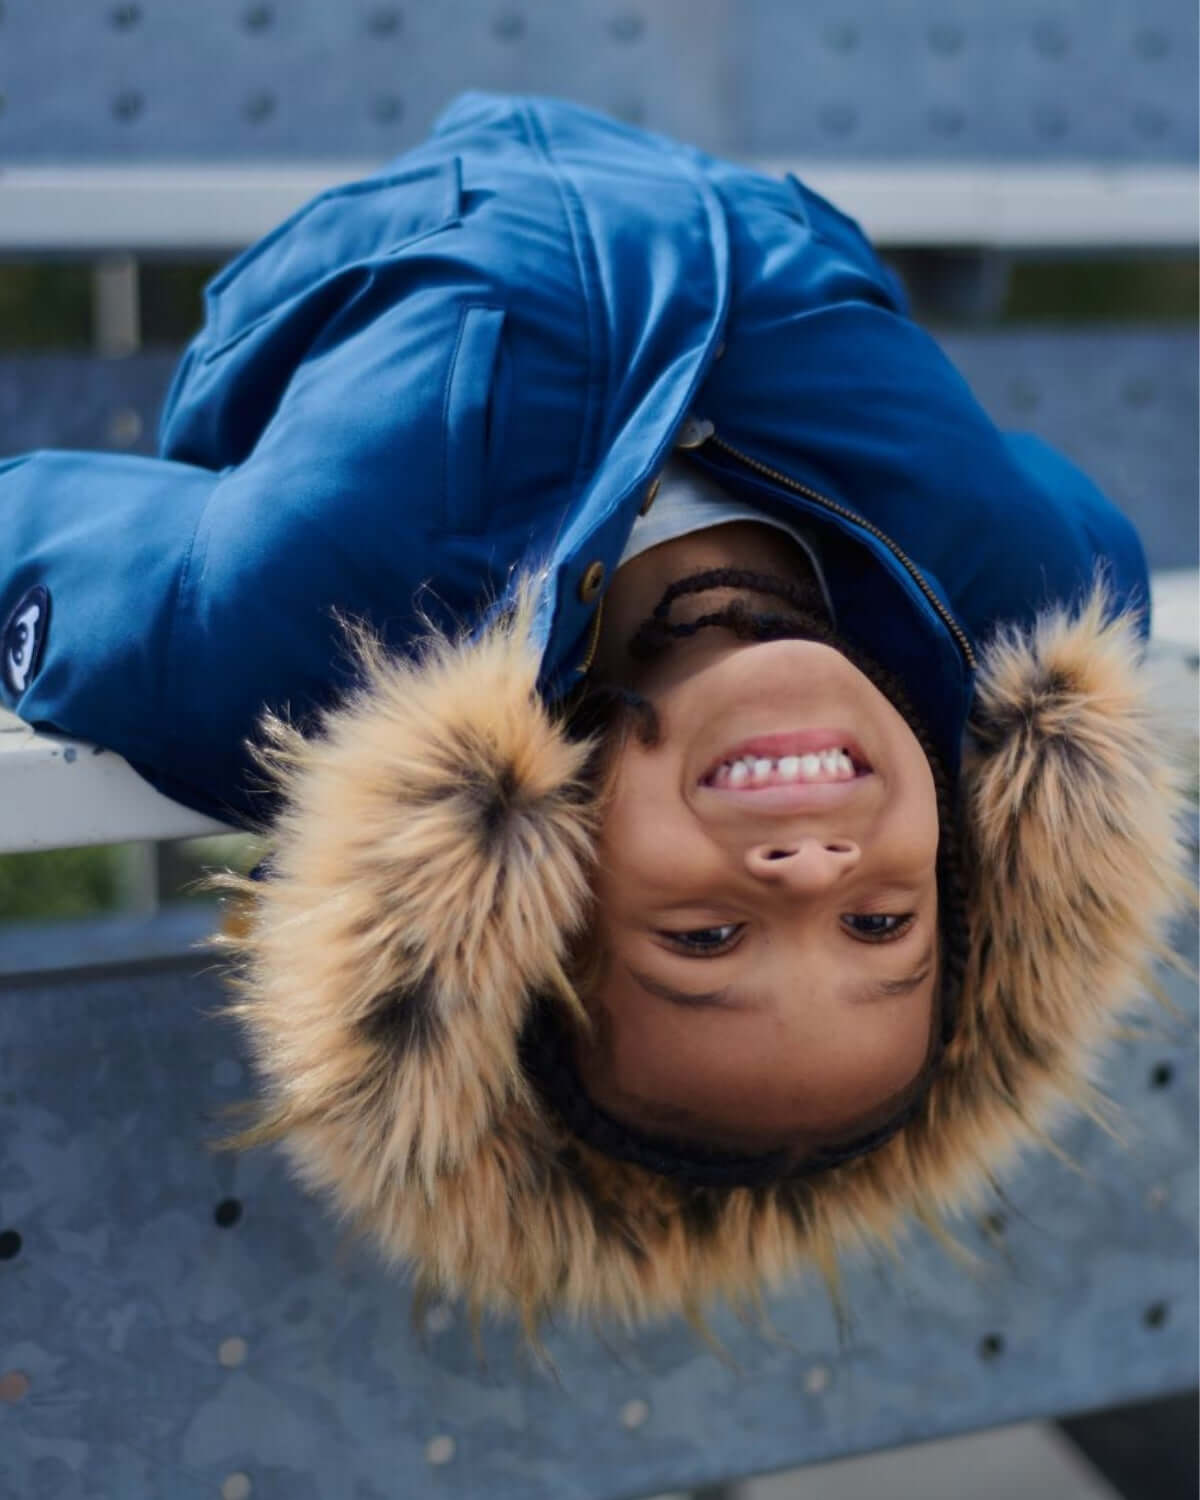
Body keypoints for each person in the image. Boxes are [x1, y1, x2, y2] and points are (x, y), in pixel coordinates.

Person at [0, 93, 1187, 1331]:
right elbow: (1057, 505)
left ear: (532, 903)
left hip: (399, 213)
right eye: (881, 923)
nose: (809, 872)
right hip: (759, 188)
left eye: (706, 941)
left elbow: (30, 524)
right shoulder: (1028, 594)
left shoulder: (286, 637)